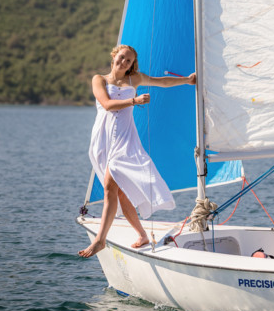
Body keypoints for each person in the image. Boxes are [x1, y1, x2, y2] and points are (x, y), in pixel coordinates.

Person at [78, 43, 195, 258]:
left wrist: (187, 80)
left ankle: (99, 240)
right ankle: (141, 234)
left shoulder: (135, 79)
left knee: (109, 188)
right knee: (119, 192)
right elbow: (106, 104)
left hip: (125, 139)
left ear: (132, 64)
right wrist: (134, 100)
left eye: (129, 60)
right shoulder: (99, 79)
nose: (124, 62)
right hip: (104, 140)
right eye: (122, 57)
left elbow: (162, 82)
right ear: (114, 56)